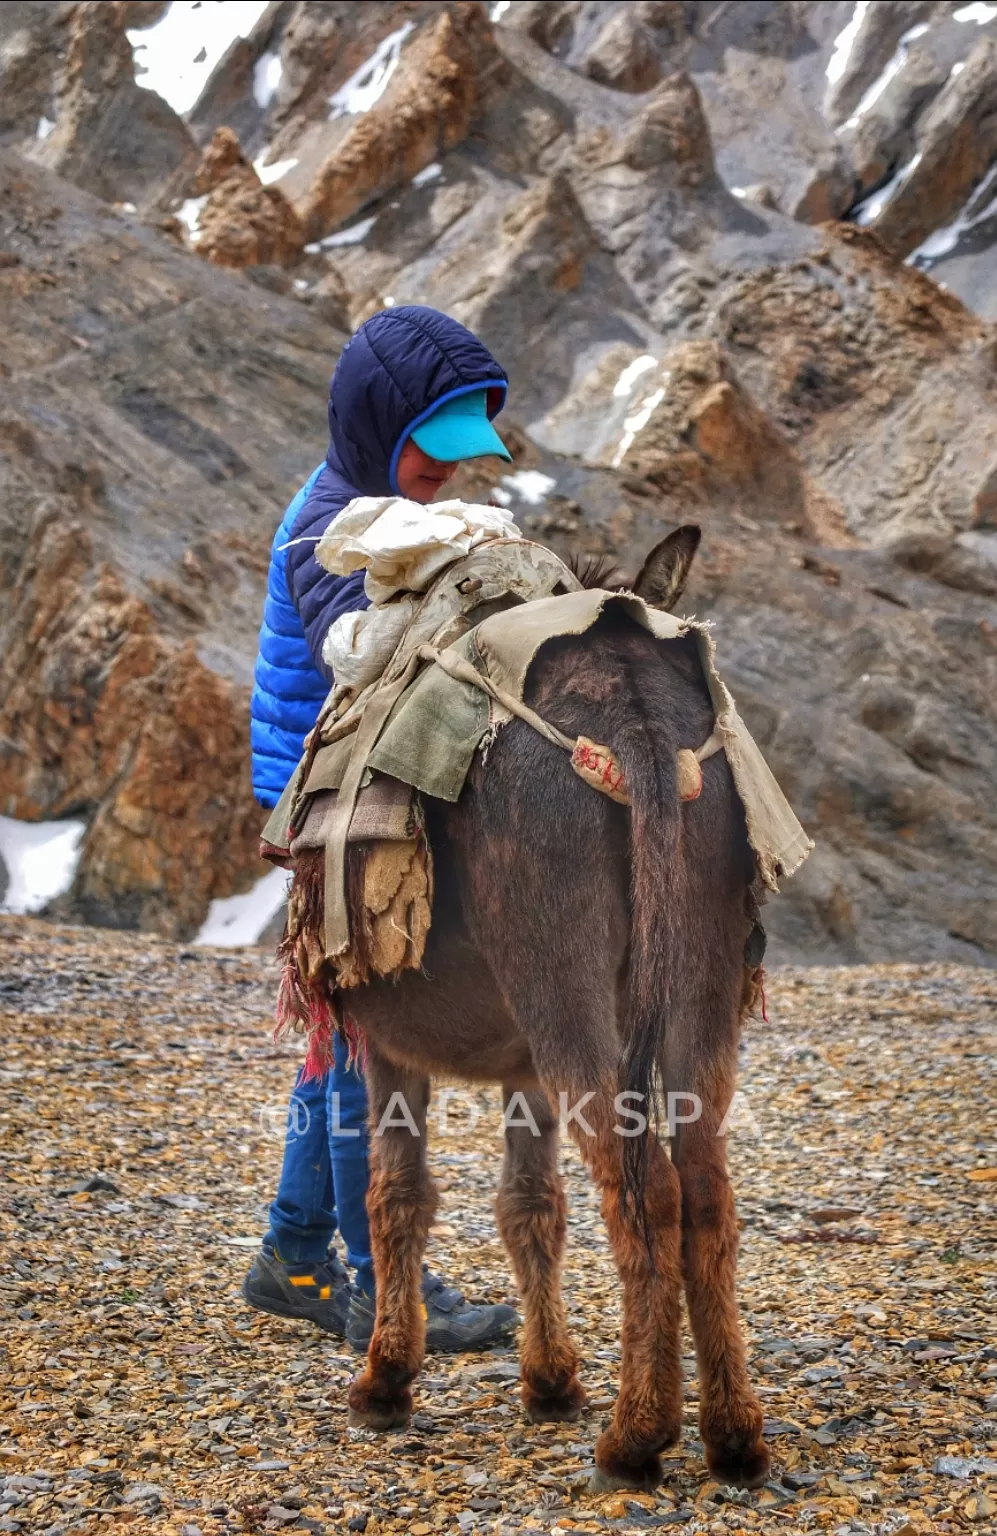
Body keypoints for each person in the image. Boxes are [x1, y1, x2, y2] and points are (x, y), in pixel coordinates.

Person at [244, 305, 520, 1353]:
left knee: (339, 1042)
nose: (448, 473)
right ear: (376, 425)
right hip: (332, 811)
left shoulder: (379, 503)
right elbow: (359, 654)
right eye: (430, 450)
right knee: (370, 1049)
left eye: (462, 455)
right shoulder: (331, 528)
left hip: (348, 793)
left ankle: (294, 1254)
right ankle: (381, 1282)